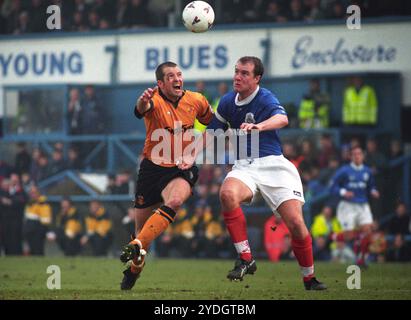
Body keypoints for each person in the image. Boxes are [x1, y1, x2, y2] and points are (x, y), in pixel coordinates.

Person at [180, 56, 326, 290]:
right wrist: (191, 154)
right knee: (227, 194)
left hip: (274, 166)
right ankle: (246, 258)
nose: (238, 76)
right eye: (236, 71)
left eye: (245, 73)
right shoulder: (228, 101)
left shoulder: (265, 97)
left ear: (257, 78)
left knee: (297, 224)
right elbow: (212, 131)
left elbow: (283, 118)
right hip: (244, 167)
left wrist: (260, 125)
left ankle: (309, 279)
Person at [119, 61, 214, 290]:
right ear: (160, 83)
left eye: (179, 74)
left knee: (175, 200)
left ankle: (136, 244)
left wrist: (194, 153)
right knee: (143, 234)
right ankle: (134, 269)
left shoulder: (196, 100)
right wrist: (142, 100)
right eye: (170, 76)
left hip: (181, 166)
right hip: (152, 168)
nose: (177, 78)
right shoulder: (154, 100)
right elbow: (141, 108)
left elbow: (216, 126)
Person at [330, 145, 380, 267]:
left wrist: (373, 191)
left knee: (367, 231)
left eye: (359, 154)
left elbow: (371, 185)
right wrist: (343, 192)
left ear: (363, 156)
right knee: (349, 236)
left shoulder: (367, 171)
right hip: (348, 206)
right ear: (351, 156)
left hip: (363, 205)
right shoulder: (344, 171)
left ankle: (361, 259)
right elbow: (332, 186)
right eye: (354, 154)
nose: (357, 156)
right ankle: (333, 236)